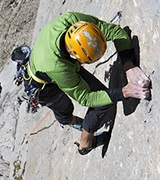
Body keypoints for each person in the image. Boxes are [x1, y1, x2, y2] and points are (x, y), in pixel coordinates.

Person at [13, 11, 150, 155]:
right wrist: (124, 92)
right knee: (64, 110)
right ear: (74, 56)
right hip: (43, 86)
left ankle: (84, 130)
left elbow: (116, 32)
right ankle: (85, 143)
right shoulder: (59, 67)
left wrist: (129, 66)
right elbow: (86, 98)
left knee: (104, 101)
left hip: (50, 61)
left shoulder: (72, 20)